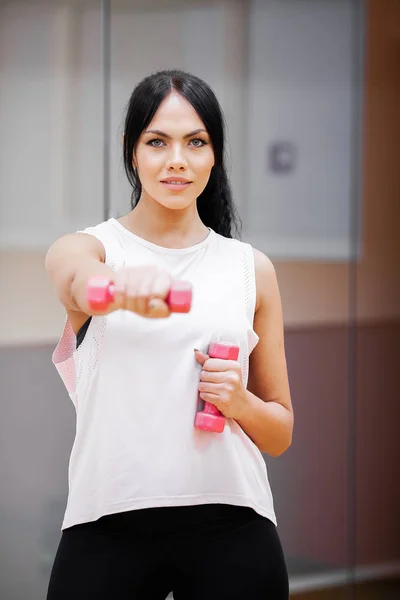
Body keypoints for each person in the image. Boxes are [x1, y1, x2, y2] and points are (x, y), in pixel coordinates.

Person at [45, 69, 293, 600]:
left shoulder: (251, 269)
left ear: (214, 155)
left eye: (195, 142)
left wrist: (240, 402)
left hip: (233, 520)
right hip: (106, 521)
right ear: (132, 152)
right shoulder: (91, 248)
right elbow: (75, 276)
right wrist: (118, 288)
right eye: (157, 141)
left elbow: (279, 433)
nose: (176, 159)